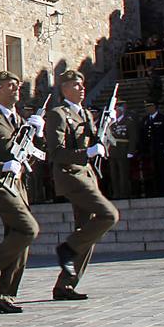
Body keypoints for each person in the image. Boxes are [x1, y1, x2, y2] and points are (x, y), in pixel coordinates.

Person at [0, 71, 44, 314]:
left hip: (19, 186)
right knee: (28, 229)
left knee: (21, 243)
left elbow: (31, 161)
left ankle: (4, 296)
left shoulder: (20, 121)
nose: (16, 89)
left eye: (17, 86)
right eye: (10, 85)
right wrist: (1, 166)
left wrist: (39, 135)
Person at [47, 69, 119, 301]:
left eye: (82, 84)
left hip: (88, 175)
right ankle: (68, 248)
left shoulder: (86, 114)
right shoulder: (58, 114)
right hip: (71, 176)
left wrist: (108, 127)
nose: (81, 88)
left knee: (87, 232)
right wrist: (86, 152)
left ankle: (65, 285)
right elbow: (56, 153)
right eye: (76, 85)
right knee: (108, 215)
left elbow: (101, 143)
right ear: (64, 88)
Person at [137, 102, 164, 196]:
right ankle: (155, 191)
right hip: (150, 150)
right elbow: (142, 136)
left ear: (155, 107)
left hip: (162, 150)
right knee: (153, 171)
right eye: (146, 107)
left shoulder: (163, 118)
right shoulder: (145, 120)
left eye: (149, 106)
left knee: (163, 171)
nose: (147, 109)